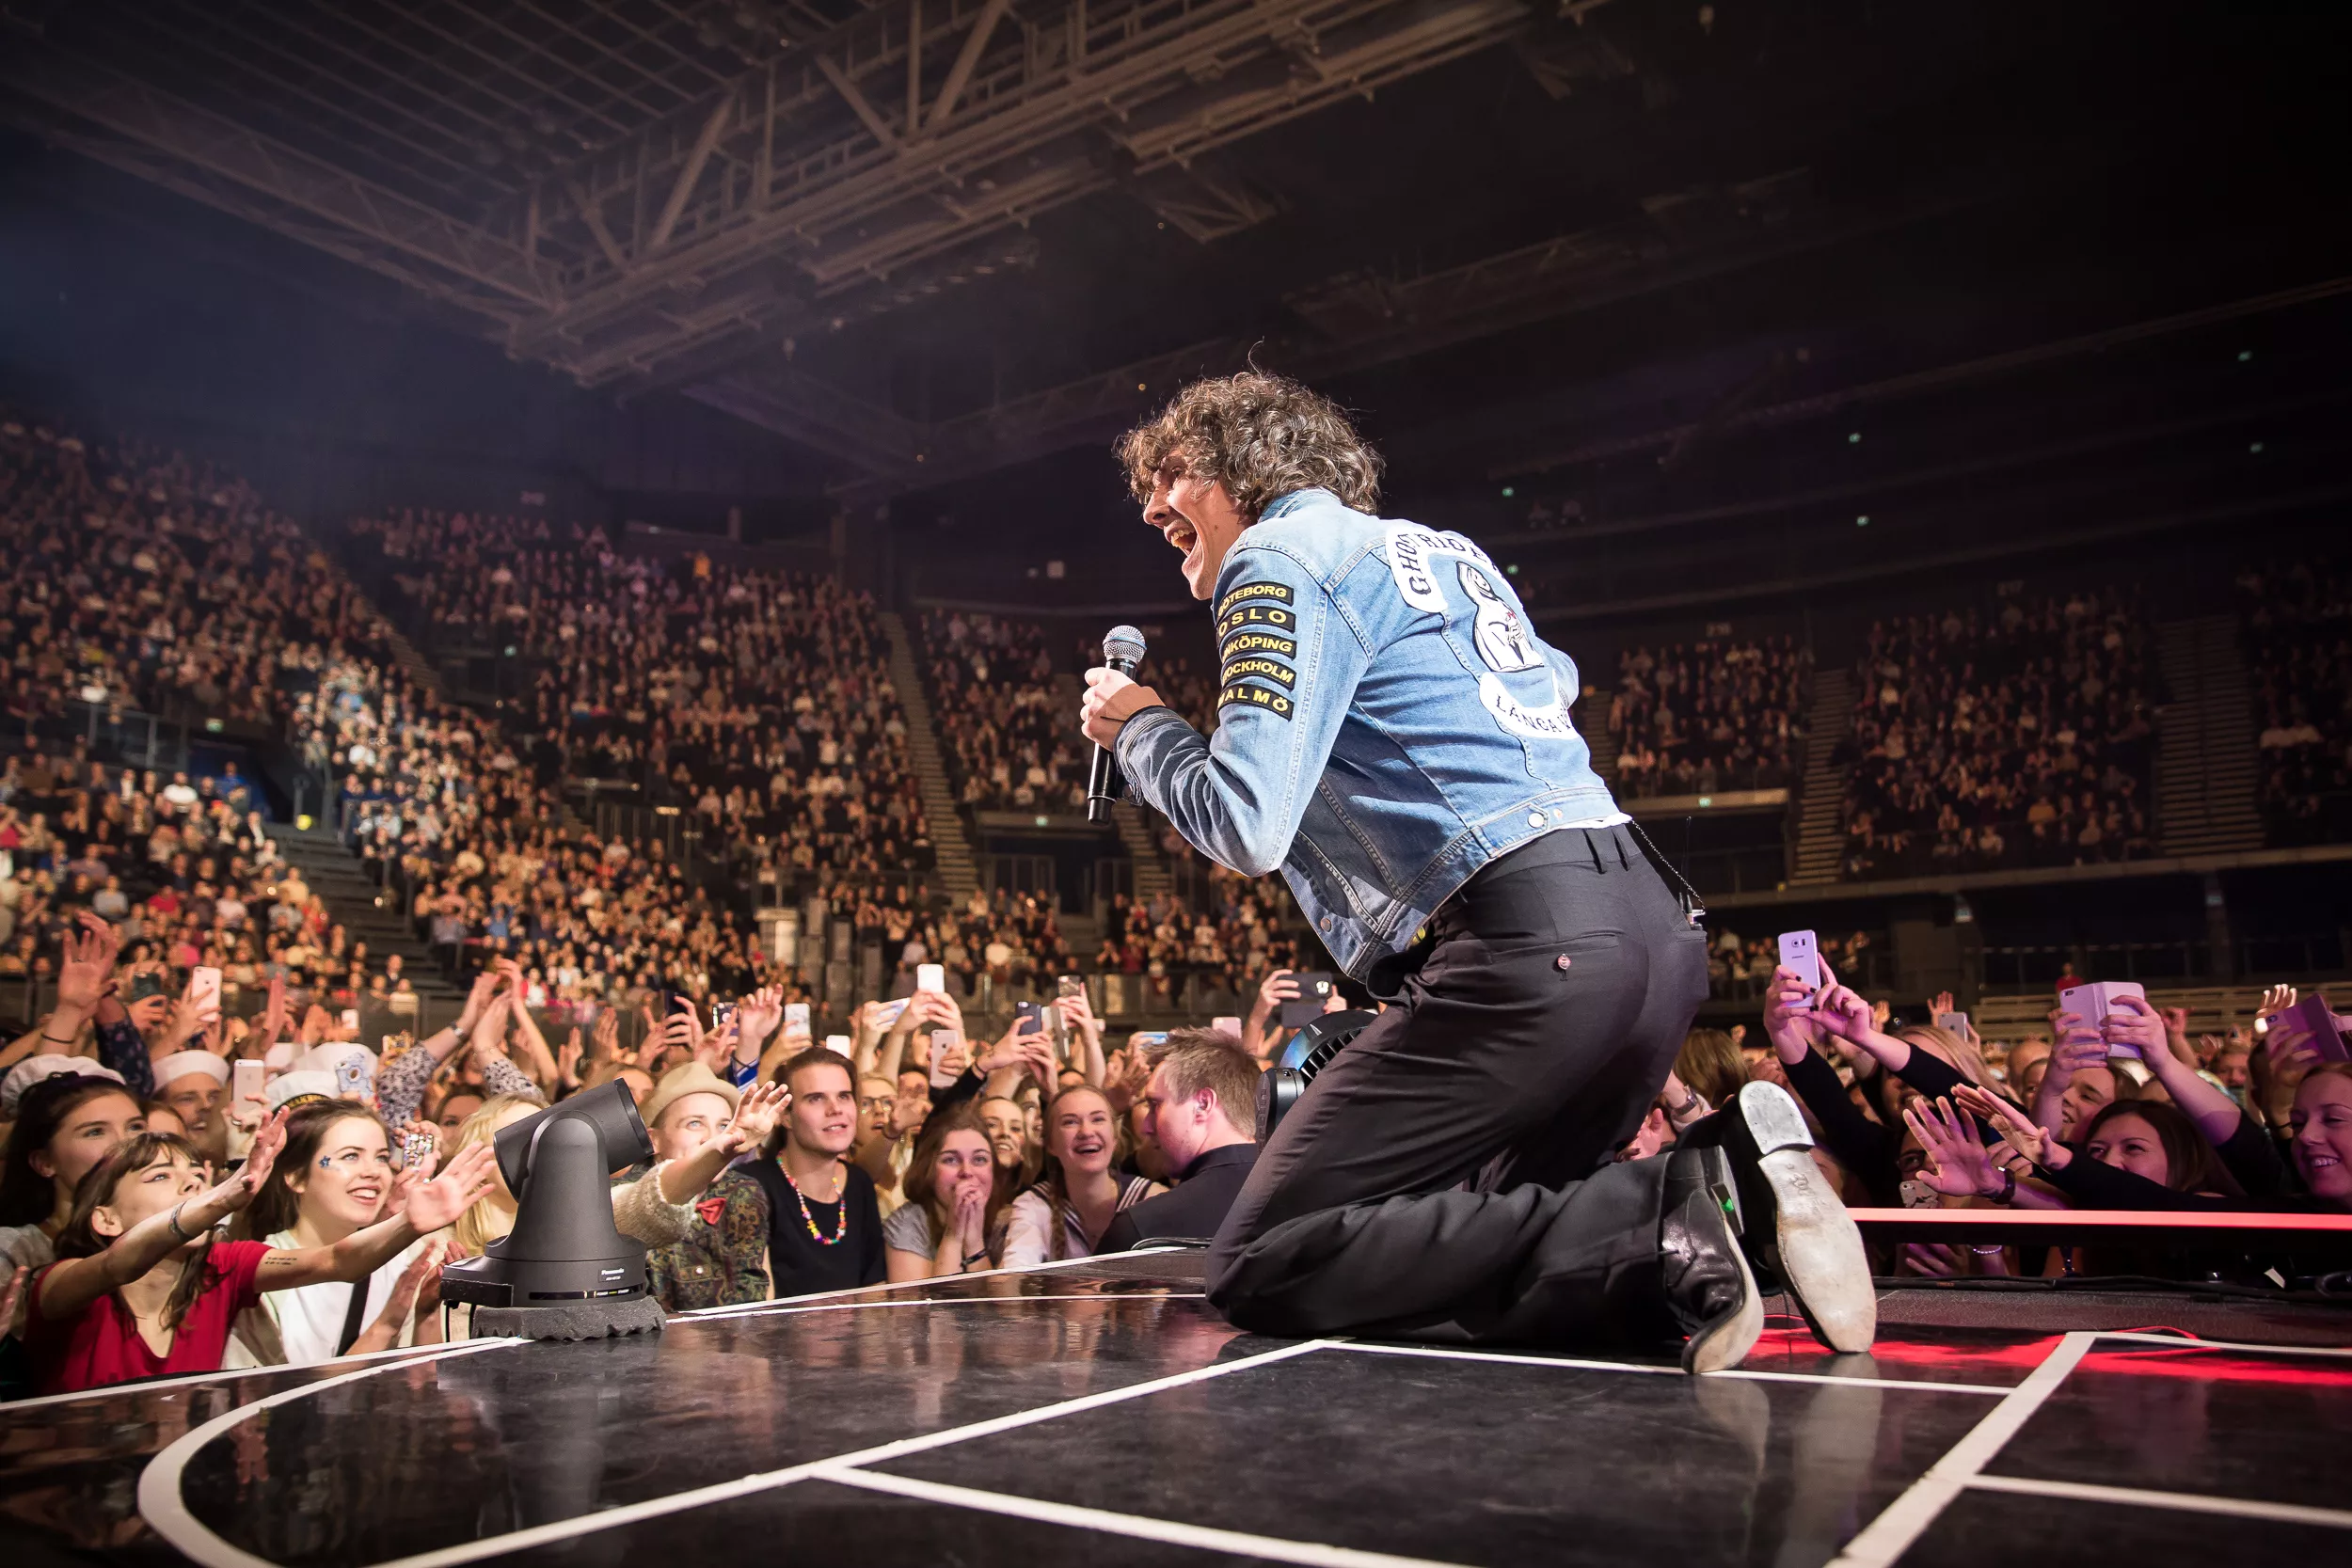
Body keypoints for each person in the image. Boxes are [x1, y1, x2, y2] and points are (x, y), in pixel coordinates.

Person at [1079, 372, 1870, 1367]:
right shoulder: (1446, 553)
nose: (1153, 502)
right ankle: (1741, 1196)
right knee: (1485, 1235)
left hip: (1527, 946)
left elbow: (1244, 824)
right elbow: (1559, 679)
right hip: (1650, 934)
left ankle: (1665, 1203)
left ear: (1248, 466)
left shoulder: (1277, 555)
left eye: (1175, 472)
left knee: (1268, 1254)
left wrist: (1141, 727)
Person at [21, 1117, 494, 1395]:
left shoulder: (222, 1268)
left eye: (194, 1174)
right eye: (161, 1177)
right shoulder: (59, 1284)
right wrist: (220, 1201)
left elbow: (338, 1261)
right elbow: (118, 1265)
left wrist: (410, 1219)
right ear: (104, 1219)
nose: (190, 1182)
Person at [224, 1101, 447, 1368]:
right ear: (296, 1177)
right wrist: (386, 1325)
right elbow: (270, 1401)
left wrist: (427, 1315)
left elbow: (423, 1388)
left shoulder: (404, 1260)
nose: (373, 1172)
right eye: (350, 1156)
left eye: (382, 1158)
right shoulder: (263, 1271)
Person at [622, 1064, 783, 1312]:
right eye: (695, 1123)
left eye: (722, 1126)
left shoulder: (743, 1192)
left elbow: (755, 1292)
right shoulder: (626, 1197)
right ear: (654, 1139)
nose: (711, 1138)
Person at [0, 1070, 146, 1336]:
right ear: (45, 1162)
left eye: (135, 1126)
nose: (126, 1144)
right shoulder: (14, 1250)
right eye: (95, 1132)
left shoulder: (174, 1239)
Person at [1099, 1031, 1261, 1254]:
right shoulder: (1316, 1203)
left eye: (1156, 1105)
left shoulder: (1142, 1232)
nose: (1147, 1126)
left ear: (1203, 1104)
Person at [743, 1048, 884, 1299]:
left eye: (844, 1096)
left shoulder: (858, 1183)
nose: (835, 1109)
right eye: (816, 1098)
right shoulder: (751, 1187)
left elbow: (874, 1289)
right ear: (785, 1115)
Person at [1000, 1085, 1159, 1267]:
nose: (1086, 1132)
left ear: (1115, 1136)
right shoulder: (1034, 1205)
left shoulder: (1152, 1199)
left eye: (1098, 1119)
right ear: (1050, 1144)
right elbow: (1014, 1270)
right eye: (1070, 1122)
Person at [883, 1106, 1001, 1282]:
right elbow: (928, 1309)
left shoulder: (1008, 1220)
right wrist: (953, 1236)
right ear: (929, 1169)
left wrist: (975, 1244)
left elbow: (998, 1308)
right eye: (951, 1160)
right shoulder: (907, 1223)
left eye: (979, 1159)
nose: (966, 1171)